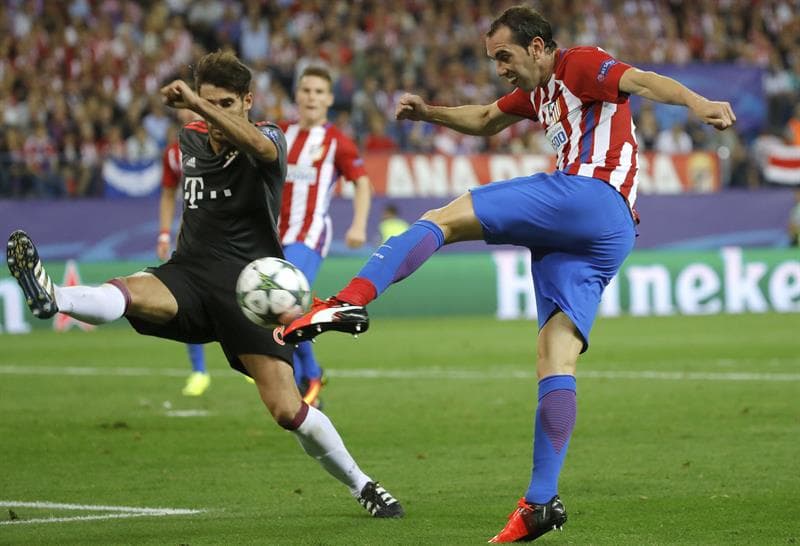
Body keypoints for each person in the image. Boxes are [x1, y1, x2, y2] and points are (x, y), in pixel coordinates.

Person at [282, 6, 734, 542]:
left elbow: (643, 80)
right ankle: (540, 502)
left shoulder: (579, 64)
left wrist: (699, 103)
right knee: (554, 357)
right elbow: (484, 119)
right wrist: (429, 113)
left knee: (442, 219)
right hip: (608, 233)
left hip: (590, 195)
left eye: (504, 55)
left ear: (537, 47)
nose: (499, 68)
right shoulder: (537, 93)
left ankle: (350, 298)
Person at [6, 50, 403, 519]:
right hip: (190, 275)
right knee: (127, 292)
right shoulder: (189, 139)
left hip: (250, 292)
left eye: (225, 104)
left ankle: (363, 485)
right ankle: (53, 296)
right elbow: (173, 186)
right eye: (207, 102)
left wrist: (196, 103)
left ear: (248, 101)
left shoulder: (270, 140)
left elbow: (258, 147)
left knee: (287, 411)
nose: (213, 115)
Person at [277, 66, 373, 408]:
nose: (311, 97)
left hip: (308, 234)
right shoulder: (279, 134)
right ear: (297, 95)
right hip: (272, 234)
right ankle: (309, 375)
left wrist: (358, 225)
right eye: (306, 90)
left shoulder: (336, 142)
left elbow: (362, 182)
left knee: (284, 302)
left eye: (319, 92)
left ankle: (308, 379)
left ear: (329, 99)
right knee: (280, 310)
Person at [158, 115, 211, 397]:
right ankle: (199, 371)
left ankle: (250, 360)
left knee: (242, 297)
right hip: (193, 237)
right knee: (189, 302)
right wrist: (164, 234)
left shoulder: (228, 141)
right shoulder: (173, 153)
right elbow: (169, 194)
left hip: (234, 235)